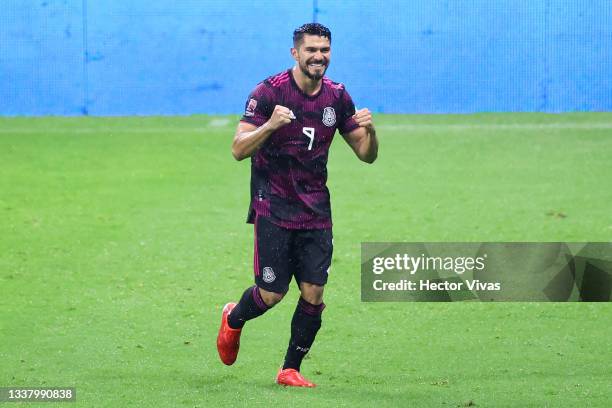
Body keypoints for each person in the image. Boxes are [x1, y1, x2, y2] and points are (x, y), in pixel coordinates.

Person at [216, 22, 378, 388]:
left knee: (314, 293)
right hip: (273, 207)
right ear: (295, 53)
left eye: (324, 51)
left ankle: (290, 369)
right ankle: (233, 318)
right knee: (272, 294)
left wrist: (371, 131)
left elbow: (366, 156)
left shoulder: (337, 97)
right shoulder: (269, 93)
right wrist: (270, 125)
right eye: (311, 51)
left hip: (316, 211)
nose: (318, 57)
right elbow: (238, 150)